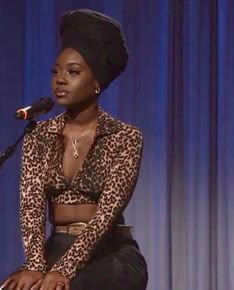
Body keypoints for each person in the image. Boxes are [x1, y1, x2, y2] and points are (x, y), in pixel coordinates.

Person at [0, 9, 148, 290]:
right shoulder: (39, 135)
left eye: (73, 72)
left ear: (96, 83)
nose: (60, 79)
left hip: (109, 251)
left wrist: (64, 270)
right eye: (56, 71)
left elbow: (106, 215)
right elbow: (30, 207)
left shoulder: (125, 137)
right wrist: (33, 266)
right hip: (55, 247)